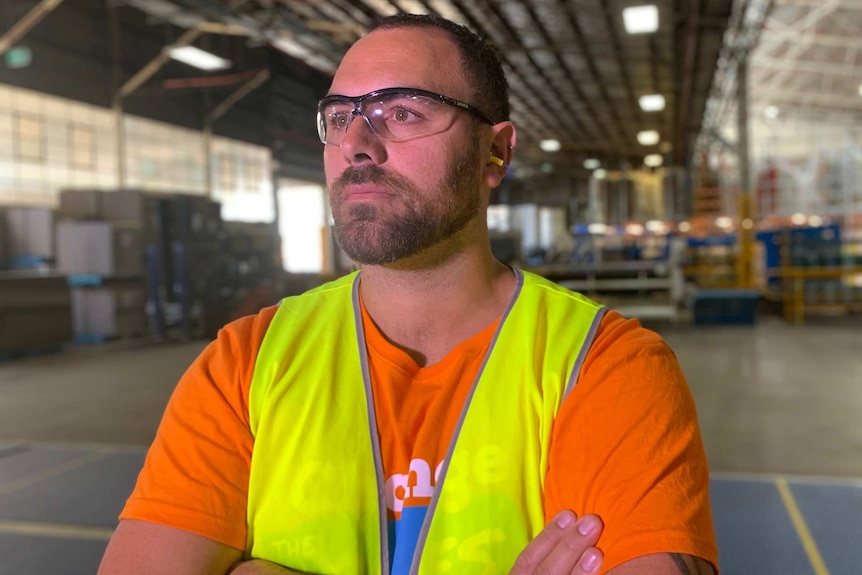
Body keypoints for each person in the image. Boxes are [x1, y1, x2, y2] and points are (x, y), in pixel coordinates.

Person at [98, 13, 717, 575]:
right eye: (340, 117)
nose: (356, 146)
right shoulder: (245, 364)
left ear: (495, 152)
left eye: (403, 112)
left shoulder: (606, 366)